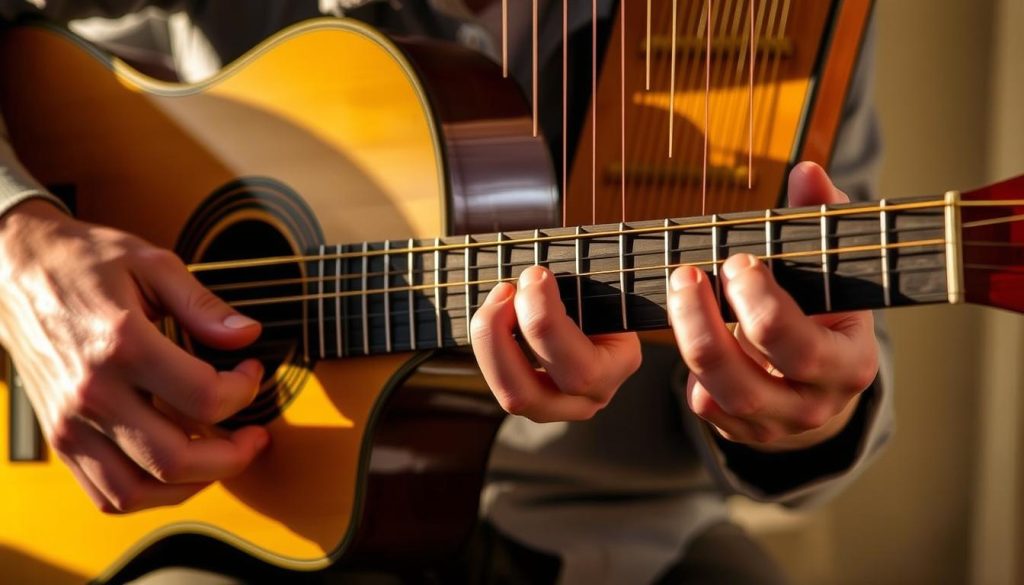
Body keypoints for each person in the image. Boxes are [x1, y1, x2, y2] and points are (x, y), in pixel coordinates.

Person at [0, 1, 891, 583]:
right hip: (213, 521)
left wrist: (808, 415)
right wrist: (19, 243)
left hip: (612, 534)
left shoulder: (769, 17)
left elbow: (823, 344)